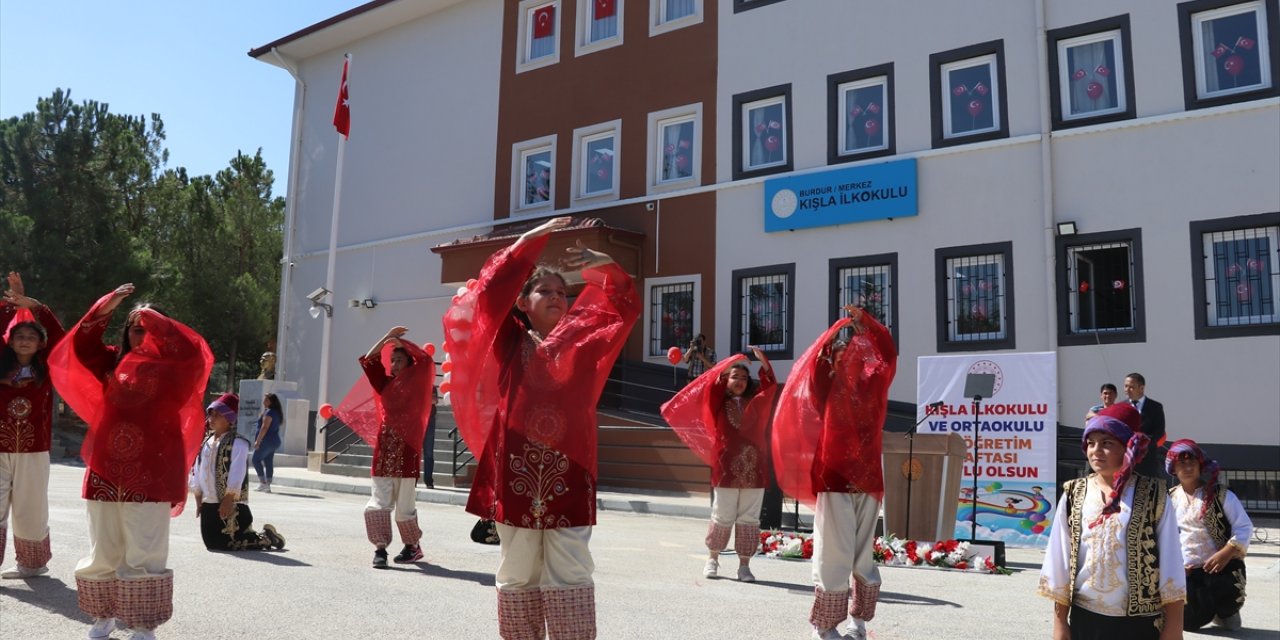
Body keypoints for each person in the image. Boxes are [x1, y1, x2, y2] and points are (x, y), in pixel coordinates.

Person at [443, 216, 639, 640]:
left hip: (571, 468)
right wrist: (526, 243)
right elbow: (489, 296)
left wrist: (608, 267)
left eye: (562, 292)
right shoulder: (509, 339)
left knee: (571, 568)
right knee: (518, 569)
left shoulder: (585, 341)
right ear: (522, 303)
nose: (555, 297)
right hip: (515, 467)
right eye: (543, 290)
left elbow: (624, 308)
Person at [49, 283, 213, 640]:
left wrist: (153, 318)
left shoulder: (177, 368)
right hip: (105, 466)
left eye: (151, 328)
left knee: (145, 548)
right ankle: (103, 615)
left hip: (153, 469)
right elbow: (81, 346)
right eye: (136, 328)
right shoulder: (111, 361)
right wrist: (105, 307)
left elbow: (193, 352)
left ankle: (142, 624)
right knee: (103, 547)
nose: (143, 334)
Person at [773, 306, 897, 640]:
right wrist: (830, 338)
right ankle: (824, 624)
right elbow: (814, 368)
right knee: (834, 553)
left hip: (868, 479)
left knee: (863, 555)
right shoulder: (826, 388)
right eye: (841, 359)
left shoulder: (874, 384)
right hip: (834, 477)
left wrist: (866, 323)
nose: (848, 362)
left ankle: (859, 621)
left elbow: (888, 353)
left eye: (854, 357)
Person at [1038, 404, 1186, 640]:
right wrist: (1060, 622)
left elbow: (1171, 562)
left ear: (1128, 448)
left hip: (1138, 623)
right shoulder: (1074, 493)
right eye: (1091, 443)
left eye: (1107, 443)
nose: (1096, 450)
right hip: (1086, 619)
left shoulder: (1154, 494)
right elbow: (1060, 560)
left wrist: (1174, 626)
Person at [661, 346, 776, 582]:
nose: (740, 381)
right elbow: (712, 384)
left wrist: (764, 362)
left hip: (754, 468)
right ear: (726, 379)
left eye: (744, 378)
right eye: (735, 376)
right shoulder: (718, 403)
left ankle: (744, 566)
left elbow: (769, 389)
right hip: (726, 468)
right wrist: (730, 362)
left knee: (749, 518)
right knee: (722, 514)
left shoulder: (755, 402)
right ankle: (712, 559)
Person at [335, 326, 435, 569]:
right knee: (378, 501)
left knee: (405, 506)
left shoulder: (419, 382)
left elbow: (425, 360)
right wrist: (387, 338)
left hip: (408, 449)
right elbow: (370, 359)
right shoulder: (385, 383)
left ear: (409, 363)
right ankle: (380, 548)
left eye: (399, 360)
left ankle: (412, 546)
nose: (395, 364)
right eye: (393, 360)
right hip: (385, 447)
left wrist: (404, 343)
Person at [0, 272, 66, 579]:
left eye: (31, 336)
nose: (25, 340)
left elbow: (61, 337)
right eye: (19, 336)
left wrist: (36, 307)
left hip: (34, 448)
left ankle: (32, 564)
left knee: (31, 508)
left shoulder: (47, 367)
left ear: (40, 344)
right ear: (10, 341)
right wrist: (12, 307)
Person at [1166, 439, 1251, 631]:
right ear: (1173, 469)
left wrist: (1227, 552)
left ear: (1200, 466)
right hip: (1188, 570)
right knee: (1189, 623)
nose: (1188, 468)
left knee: (1229, 615)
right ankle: (1206, 609)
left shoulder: (1221, 495)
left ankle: (1227, 611)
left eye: (1192, 463)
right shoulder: (1170, 498)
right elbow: (1166, 536)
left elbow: (1243, 527)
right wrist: (1177, 565)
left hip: (1222, 566)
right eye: (1182, 463)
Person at [189, 393, 285, 552]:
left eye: (217, 414)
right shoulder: (206, 441)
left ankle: (267, 538)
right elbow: (198, 470)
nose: (212, 418)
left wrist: (228, 499)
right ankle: (259, 536)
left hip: (230, 503)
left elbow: (237, 472)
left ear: (229, 419)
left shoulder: (238, 443)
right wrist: (199, 497)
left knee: (229, 542)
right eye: (211, 413)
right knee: (212, 543)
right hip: (209, 503)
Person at [1123, 373, 1167, 478]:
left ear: (1141, 388)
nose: (1127, 390)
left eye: (1131, 387)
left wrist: (1142, 445)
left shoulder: (1155, 407)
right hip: (1125, 459)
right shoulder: (1121, 406)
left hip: (1147, 459)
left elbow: (1159, 431)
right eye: (1125, 386)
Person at [252, 393, 283, 493]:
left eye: (266, 400)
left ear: (271, 402)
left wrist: (258, 441)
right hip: (274, 441)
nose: (263, 402)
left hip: (266, 441)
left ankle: (263, 483)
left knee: (255, 460)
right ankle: (267, 485)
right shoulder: (276, 412)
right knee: (268, 461)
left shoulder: (269, 412)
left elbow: (264, 427)